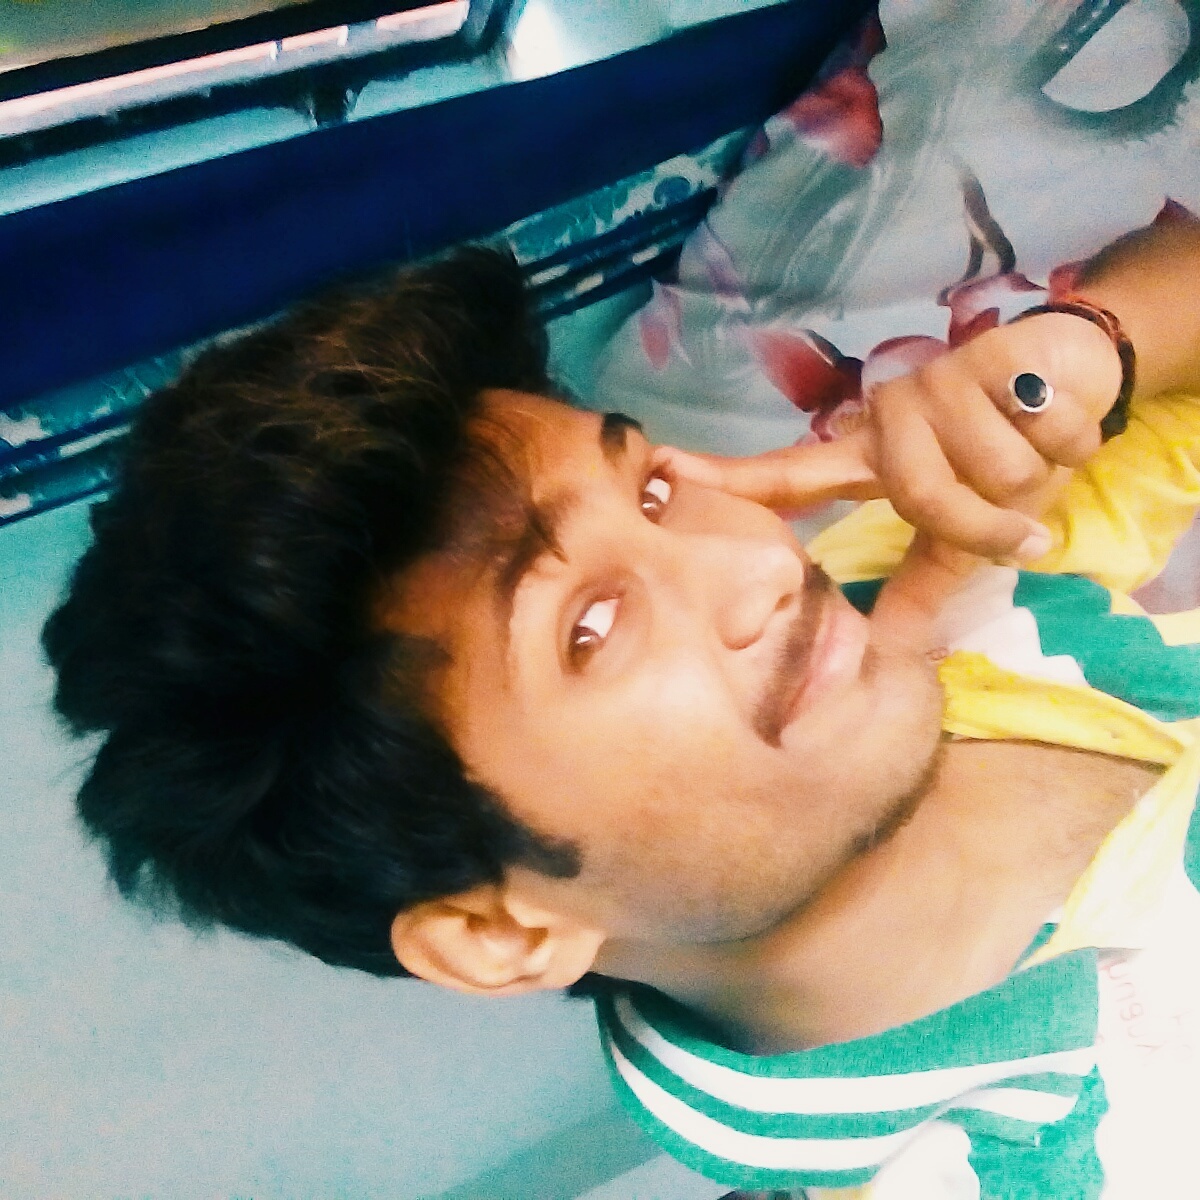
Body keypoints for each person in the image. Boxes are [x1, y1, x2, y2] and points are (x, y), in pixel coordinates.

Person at [42, 214, 1200, 1197]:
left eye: (650, 490)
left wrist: (1081, 349)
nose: (758, 564)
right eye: (589, 629)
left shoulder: (908, 587)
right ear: (503, 933)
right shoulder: (1063, 1155)